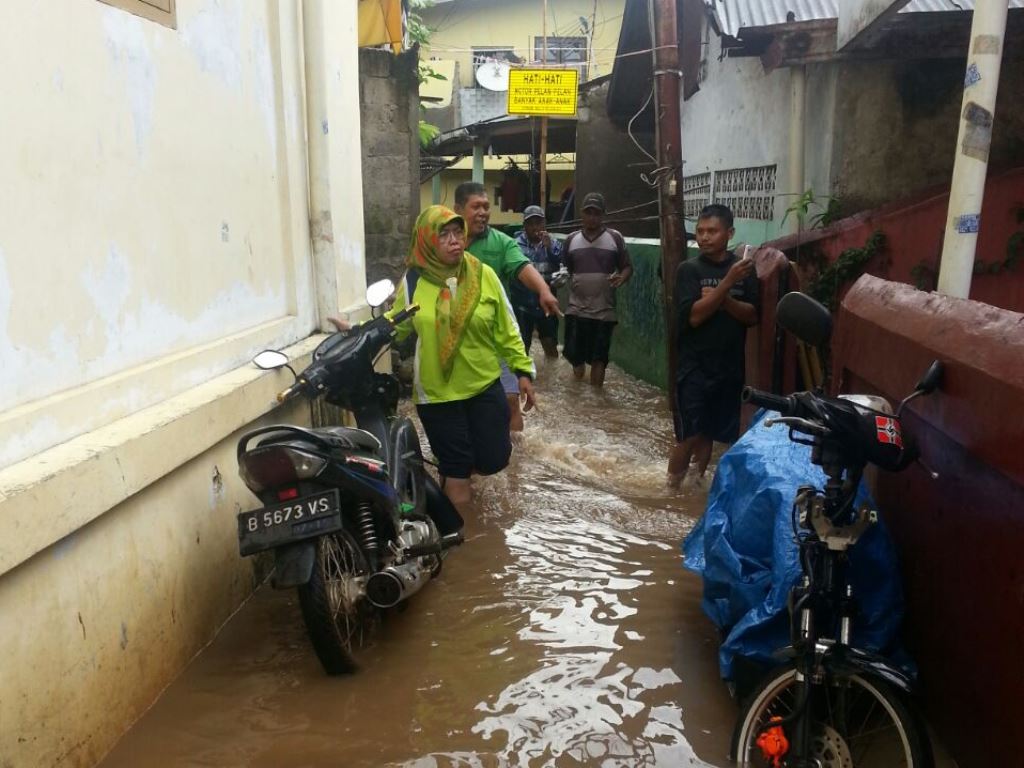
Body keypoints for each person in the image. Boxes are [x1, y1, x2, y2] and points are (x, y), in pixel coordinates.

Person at [388, 205, 536, 513]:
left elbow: (507, 329)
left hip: (483, 385)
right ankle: (464, 541)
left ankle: (459, 476)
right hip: (437, 394)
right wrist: (360, 332)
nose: (455, 240)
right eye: (444, 235)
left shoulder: (484, 275)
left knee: (495, 458)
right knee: (456, 468)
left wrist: (523, 371)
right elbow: (397, 323)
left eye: (458, 233)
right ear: (427, 240)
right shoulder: (414, 281)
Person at [453, 182, 560, 432]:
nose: (483, 212)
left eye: (486, 207)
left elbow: (522, 267)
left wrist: (543, 290)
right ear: (458, 209)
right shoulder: (446, 243)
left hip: (493, 335)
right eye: (476, 206)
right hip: (456, 338)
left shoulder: (501, 243)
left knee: (510, 400)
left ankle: (516, 463)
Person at [668, 204, 759, 490]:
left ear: (729, 233)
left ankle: (694, 484)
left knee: (708, 432)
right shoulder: (689, 270)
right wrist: (727, 284)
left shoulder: (745, 270)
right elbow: (694, 316)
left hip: (729, 367)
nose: (705, 237)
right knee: (689, 435)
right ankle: (669, 490)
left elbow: (753, 315)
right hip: (693, 366)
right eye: (700, 231)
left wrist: (723, 299)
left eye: (712, 231)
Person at [562, 192, 632, 387]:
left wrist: (622, 277)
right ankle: (578, 397)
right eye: (588, 212)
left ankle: (597, 400)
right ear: (582, 214)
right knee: (575, 359)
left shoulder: (615, 238)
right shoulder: (571, 240)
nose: (592, 217)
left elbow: (627, 267)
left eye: (596, 213)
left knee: (599, 358)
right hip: (576, 309)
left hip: (604, 311)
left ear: (603, 215)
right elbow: (565, 269)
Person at [511, 205, 563, 357]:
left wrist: (549, 249)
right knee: (521, 348)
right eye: (530, 223)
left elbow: (562, 264)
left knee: (551, 346)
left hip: (546, 305)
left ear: (544, 223)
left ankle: (552, 379)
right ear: (524, 225)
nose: (535, 227)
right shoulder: (514, 245)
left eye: (538, 222)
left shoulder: (553, 244)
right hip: (522, 306)